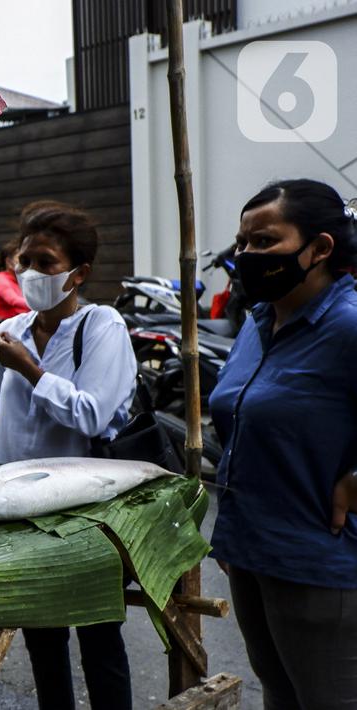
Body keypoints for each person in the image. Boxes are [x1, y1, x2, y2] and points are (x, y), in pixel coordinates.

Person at [0, 201, 137, 710]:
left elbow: (92, 415)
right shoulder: (10, 335)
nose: (29, 273)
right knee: (43, 638)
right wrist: (15, 433)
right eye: (24, 261)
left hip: (84, 514)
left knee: (98, 636)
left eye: (45, 263)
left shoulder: (100, 326)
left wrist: (32, 373)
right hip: (18, 510)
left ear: (78, 273)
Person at [209, 179, 357, 710]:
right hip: (249, 554)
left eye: (265, 242)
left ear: (319, 249)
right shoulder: (258, 322)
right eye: (244, 243)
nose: (248, 255)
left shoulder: (347, 325)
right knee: (279, 694)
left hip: (318, 564)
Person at [0, 238, 30, 321]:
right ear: (8, 262)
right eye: (20, 258)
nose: (24, 262)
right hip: (7, 326)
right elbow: (14, 300)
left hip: (22, 320)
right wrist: (38, 305)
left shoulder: (20, 277)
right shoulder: (0, 280)